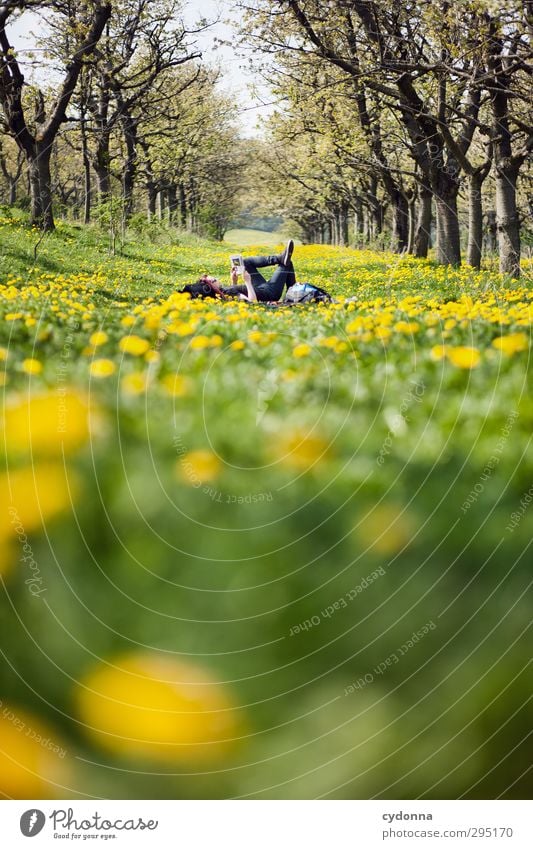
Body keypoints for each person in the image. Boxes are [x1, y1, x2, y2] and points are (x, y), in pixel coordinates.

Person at [185, 240, 295, 303]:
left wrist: (234, 281)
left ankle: (279, 258)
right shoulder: (226, 294)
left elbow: (237, 294)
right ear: (213, 287)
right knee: (287, 263)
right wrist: (247, 281)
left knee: (245, 263)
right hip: (270, 293)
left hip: (260, 288)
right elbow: (252, 302)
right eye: (214, 280)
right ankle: (294, 294)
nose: (216, 279)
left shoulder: (225, 293)